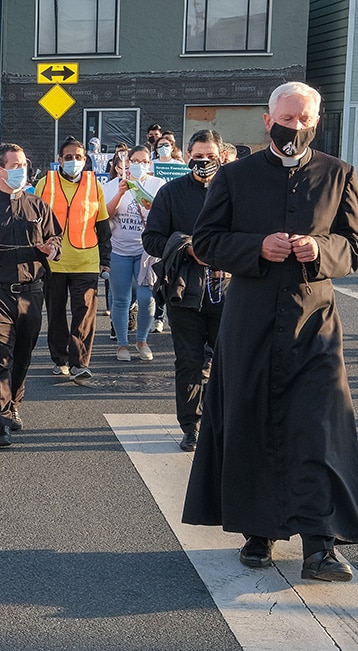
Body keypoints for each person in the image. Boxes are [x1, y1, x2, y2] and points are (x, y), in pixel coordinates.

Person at [182, 81, 358, 582]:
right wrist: (254, 248)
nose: (294, 128)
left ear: (316, 121)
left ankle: (321, 544)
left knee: (318, 428)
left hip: (314, 323)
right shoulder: (235, 176)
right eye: (286, 120)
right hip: (251, 322)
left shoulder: (338, 174)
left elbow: (355, 248)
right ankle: (257, 532)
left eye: (303, 120)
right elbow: (205, 241)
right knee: (252, 422)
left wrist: (321, 251)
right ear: (268, 122)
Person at [142, 129, 227, 452]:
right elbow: (152, 239)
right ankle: (191, 425)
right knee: (188, 361)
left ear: (221, 156)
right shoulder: (171, 193)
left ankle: (222, 423)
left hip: (228, 289)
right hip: (184, 289)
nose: (204, 162)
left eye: (210, 157)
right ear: (188, 156)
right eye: (198, 156)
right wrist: (184, 248)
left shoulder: (235, 191)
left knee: (227, 361)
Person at [0, 143, 61, 448]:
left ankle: (14, 405)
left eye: (24, 164)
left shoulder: (38, 206)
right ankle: (0, 420)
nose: (21, 170)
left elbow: (56, 239)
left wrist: (52, 248)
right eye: (14, 166)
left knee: (22, 355)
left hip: (32, 292)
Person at [35, 137, 110, 382]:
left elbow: (102, 224)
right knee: (55, 313)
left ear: (85, 160)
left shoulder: (94, 185)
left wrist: (105, 259)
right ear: (59, 160)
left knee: (84, 313)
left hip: (86, 259)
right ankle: (60, 358)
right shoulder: (45, 184)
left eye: (79, 157)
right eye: (69, 157)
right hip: (54, 262)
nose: (74, 161)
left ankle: (80, 362)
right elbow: (34, 223)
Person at [105, 146, 166, 362]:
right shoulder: (112, 185)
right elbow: (105, 215)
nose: (140, 165)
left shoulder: (158, 185)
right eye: (135, 161)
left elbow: (164, 216)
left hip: (146, 252)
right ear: (127, 162)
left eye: (144, 161)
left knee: (146, 297)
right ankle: (122, 344)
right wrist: (121, 192)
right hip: (119, 250)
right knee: (121, 299)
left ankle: (142, 341)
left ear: (150, 163)